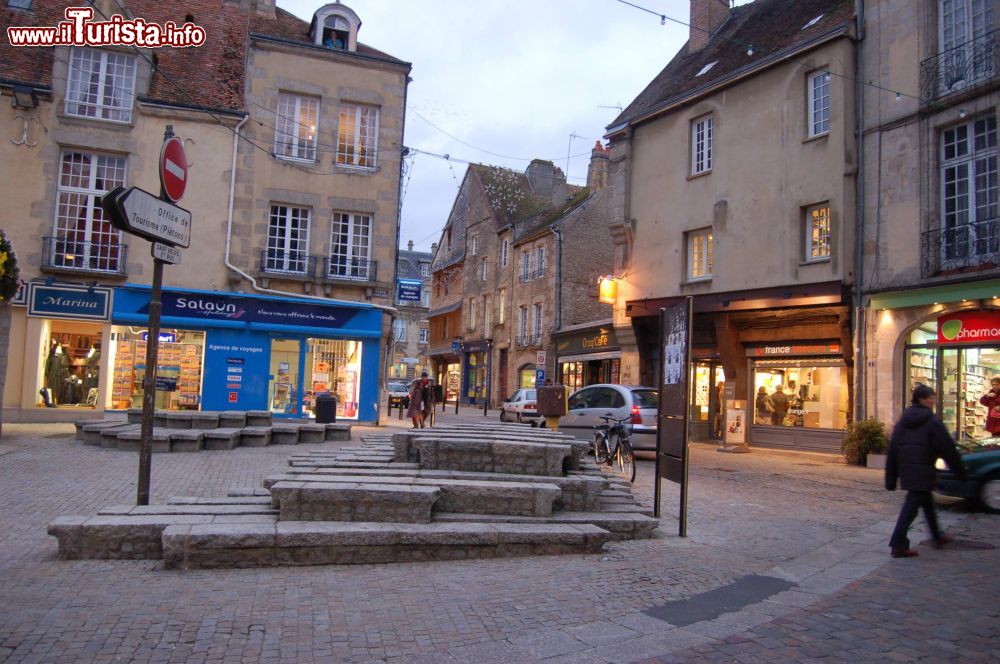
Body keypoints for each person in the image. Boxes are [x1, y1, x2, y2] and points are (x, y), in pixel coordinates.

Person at [885, 385, 966, 558]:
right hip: (924, 470)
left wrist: (891, 477)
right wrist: (959, 471)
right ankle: (898, 545)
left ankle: (937, 536)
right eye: (931, 398)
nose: (933, 401)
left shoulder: (903, 420)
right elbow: (947, 447)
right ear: (922, 399)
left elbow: (893, 449)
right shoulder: (932, 421)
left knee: (927, 502)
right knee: (911, 508)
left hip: (909, 470)